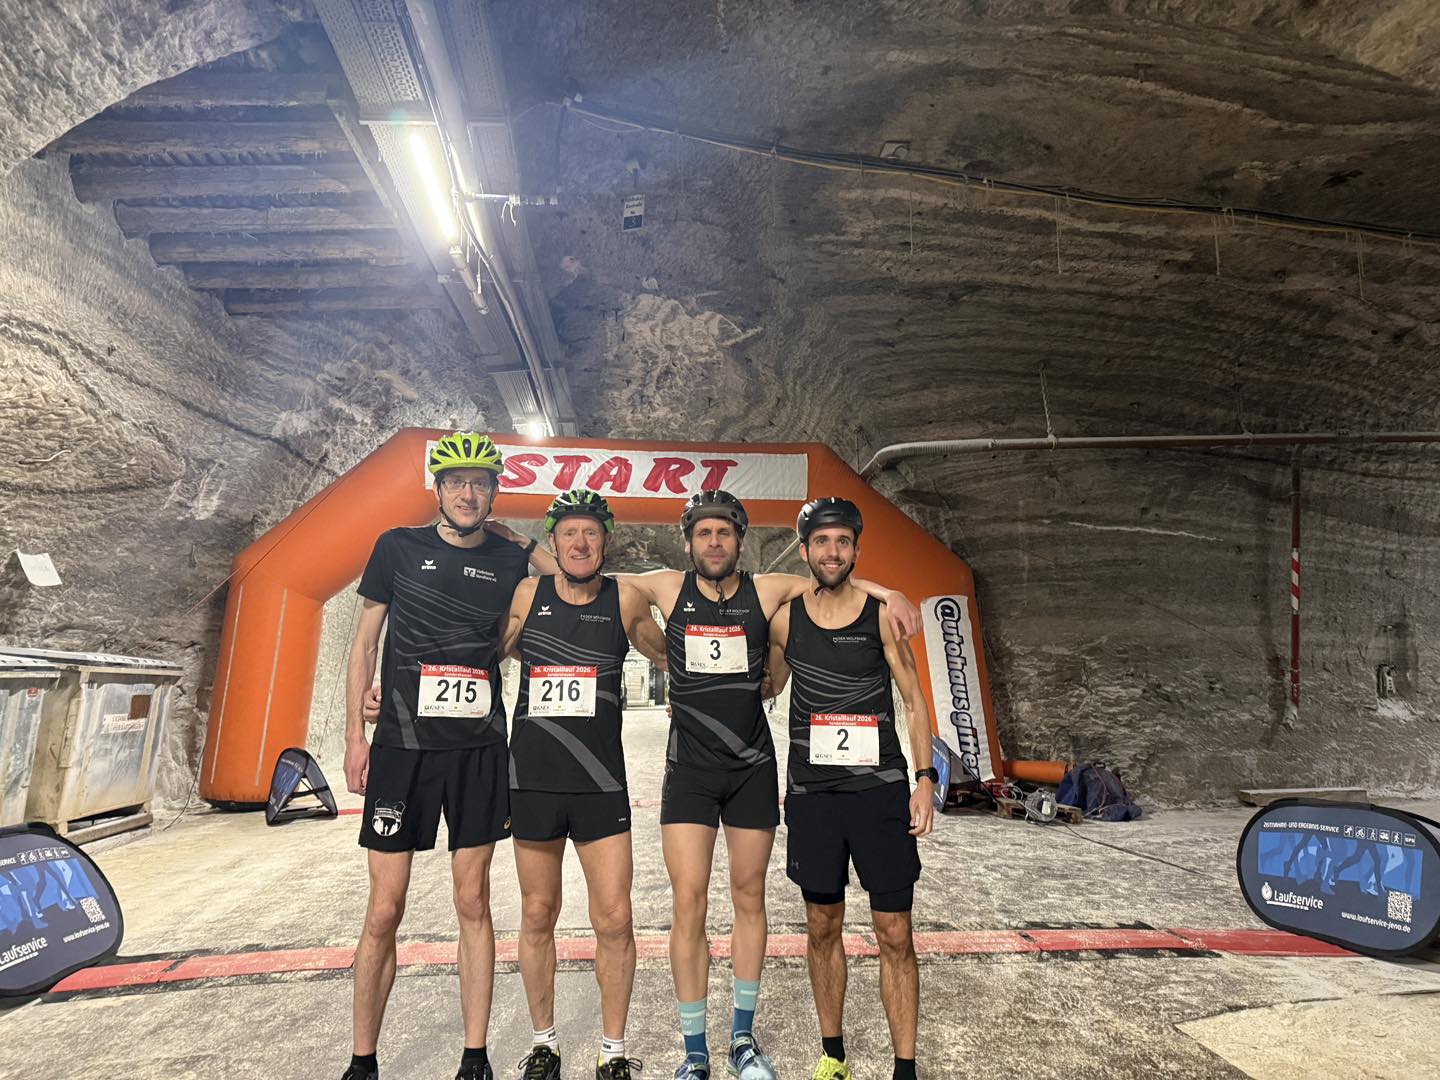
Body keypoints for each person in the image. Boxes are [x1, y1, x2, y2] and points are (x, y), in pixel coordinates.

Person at [617, 490, 921, 1080]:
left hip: (752, 766)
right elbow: (611, 592)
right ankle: (695, 1052)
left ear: (740, 540)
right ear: (688, 542)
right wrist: (663, 656)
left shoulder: (767, 591)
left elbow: (834, 579)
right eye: (703, 533)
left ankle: (742, 1039)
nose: (713, 542)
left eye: (724, 533)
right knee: (689, 903)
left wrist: (892, 592)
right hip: (690, 769)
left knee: (749, 898)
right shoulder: (665, 586)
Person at [341, 432, 556, 1080]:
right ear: (438, 489)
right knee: (385, 908)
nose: (468, 493)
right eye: (457, 481)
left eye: (480, 483)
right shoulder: (396, 547)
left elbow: (570, 580)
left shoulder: (509, 557)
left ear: (494, 493)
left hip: (478, 751)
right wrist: (354, 736)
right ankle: (362, 1061)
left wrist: (523, 542)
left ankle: (474, 1057)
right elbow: (364, 644)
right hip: (402, 748)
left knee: (473, 902)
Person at [765, 497, 936, 1080]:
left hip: (879, 793)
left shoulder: (882, 616)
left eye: (842, 541)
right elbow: (768, 684)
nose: (832, 552)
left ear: (856, 549)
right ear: (805, 550)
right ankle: (833, 1055)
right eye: (822, 541)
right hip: (813, 797)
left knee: (895, 931)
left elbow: (914, 701)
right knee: (822, 926)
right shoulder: (786, 620)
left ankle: (905, 1068)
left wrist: (925, 779)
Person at [499, 490, 667, 1080]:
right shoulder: (528, 594)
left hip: (601, 783)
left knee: (615, 919)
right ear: (553, 541)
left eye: (591, 532)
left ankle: (612, 1052)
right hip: (534, 781)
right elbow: (482, 654)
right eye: (569, 532)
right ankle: (544, 1044)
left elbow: (675, 658)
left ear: (606, 542)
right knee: (537, 912)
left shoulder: (625, 601)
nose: (580, 542)